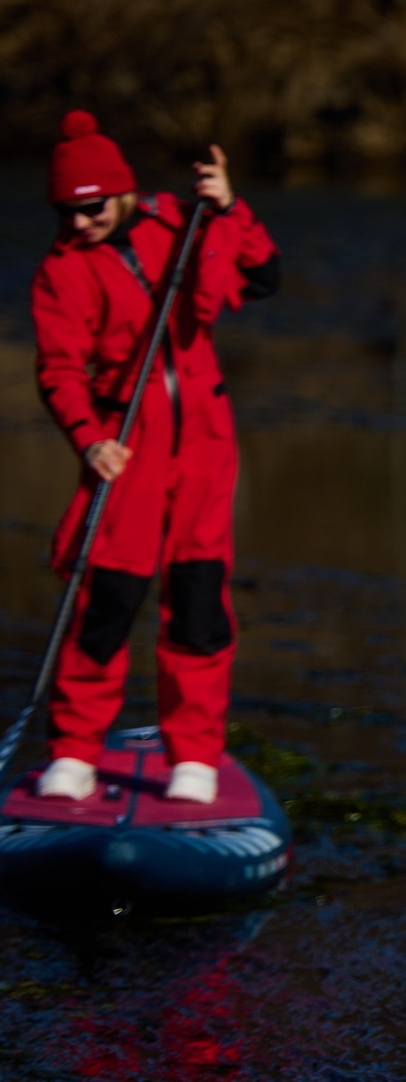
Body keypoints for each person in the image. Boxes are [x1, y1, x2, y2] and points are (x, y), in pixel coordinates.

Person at [32, 112, 280, 805]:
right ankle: (75, 750)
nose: (79, 223)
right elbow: (58, 369)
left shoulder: (183, 219)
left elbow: (264, 277)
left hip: (205, 446)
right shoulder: (62, 270)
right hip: (124, 450)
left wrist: (230, 207)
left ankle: (194, 755)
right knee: (105, 598)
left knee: (198, 603)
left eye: (89, 208)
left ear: (120, 193)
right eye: (66, 211)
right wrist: (88, 438)